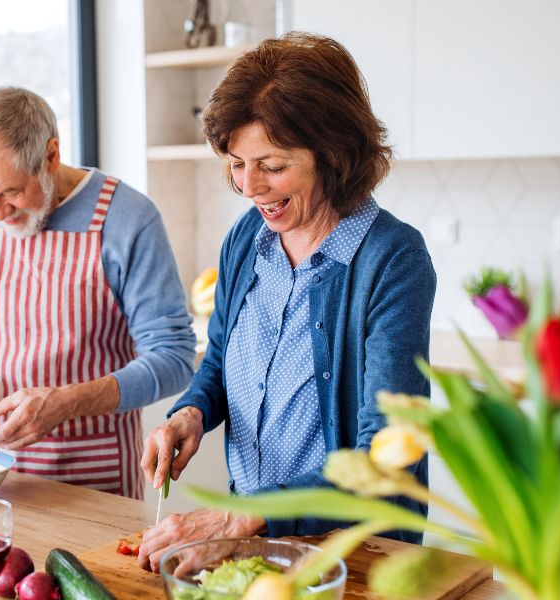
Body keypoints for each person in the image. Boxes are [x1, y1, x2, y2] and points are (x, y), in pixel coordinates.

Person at [137, 32, 436, 570]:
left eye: (272, 166)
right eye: (235, 164)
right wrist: (191, 414)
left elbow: (386, 459)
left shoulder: (393, 259)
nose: (250, 187)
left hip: (357, 555)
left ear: (334, 154)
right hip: (252, 549)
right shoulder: (246, 240)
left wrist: (241, 518)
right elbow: (223, 363)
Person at [0, 86, 196, 500]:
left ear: (51, 154)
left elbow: (174, 357)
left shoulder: (128, 218)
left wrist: (67, 401)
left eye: (11, 192)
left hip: (94, 481)